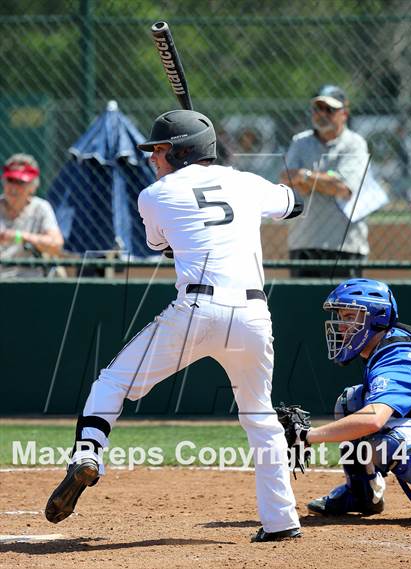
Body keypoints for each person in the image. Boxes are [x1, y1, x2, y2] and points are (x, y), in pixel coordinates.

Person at [45, 109, 305, 542]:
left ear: (185, 151)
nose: (152, 158)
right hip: (254, 316)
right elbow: (295, 204)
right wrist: (235, 178)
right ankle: (281, 522)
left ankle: (87, 454)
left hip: (196, 311)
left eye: (160, 150)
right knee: (260, 418)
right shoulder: (245, 182)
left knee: (111, 383)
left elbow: (161, 245)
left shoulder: (155, 195)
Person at [294, 278, 411, 514]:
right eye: (341, 317)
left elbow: (373, 420)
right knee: (352, 401)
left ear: (378, 317)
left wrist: (306, 435)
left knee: (387, 442)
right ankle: (361, 495)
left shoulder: (399, 356)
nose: (341, 326)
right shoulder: (388, 346)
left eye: (350, 317)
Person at [279, 85, 370, 278]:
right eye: (317, 109)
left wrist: (304, 176)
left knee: (345, 307)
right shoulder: (300, 142)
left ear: (344, 113)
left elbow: (343, 188)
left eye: (330, 109)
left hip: (345, 245)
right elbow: (286, 181)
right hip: (304, 242)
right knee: (303, 307)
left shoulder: (355, 144)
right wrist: (326, 180)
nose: (322, 114)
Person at [0, 153, 64, 277]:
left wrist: (19, 236)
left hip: (29, 281)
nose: (13, 187)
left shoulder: (41, 208)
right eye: (10, 180)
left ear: (33, 187)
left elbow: (56, 245)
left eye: (20, 182)